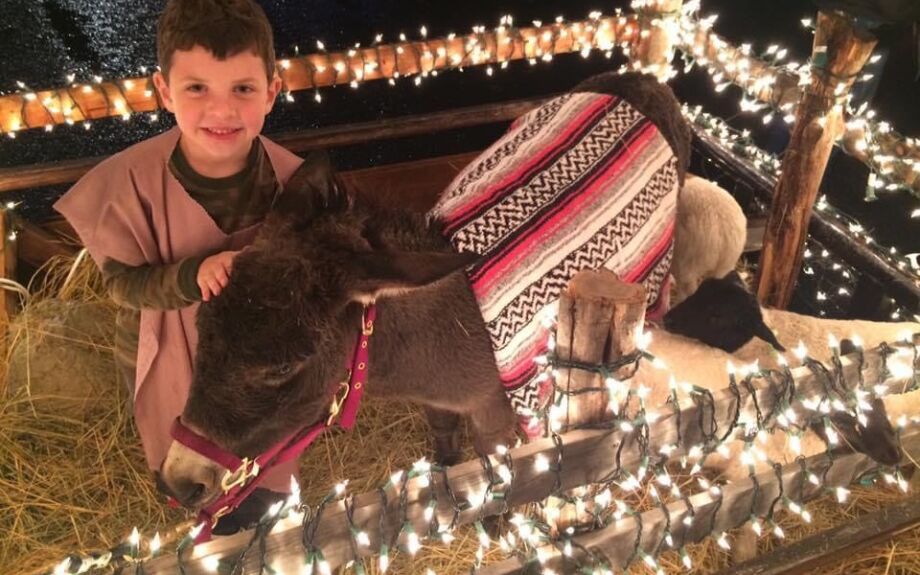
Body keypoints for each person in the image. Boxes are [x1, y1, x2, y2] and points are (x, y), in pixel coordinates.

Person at [54, 0, 303, 534]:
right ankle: (202, 516)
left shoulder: (293, 182)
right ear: (164, 90)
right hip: (164, 343)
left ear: (272, 91)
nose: (222, 110)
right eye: (197, 89)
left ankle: (259, 508)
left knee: (256, 441)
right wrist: (191, 276)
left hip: (249, 357)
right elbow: (123, 283)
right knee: (186, 456)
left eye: (242, 88)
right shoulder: (130, 182)